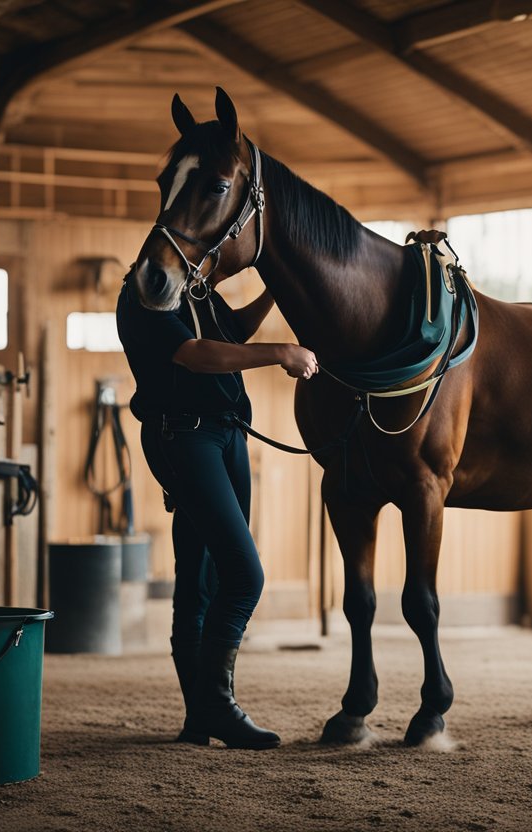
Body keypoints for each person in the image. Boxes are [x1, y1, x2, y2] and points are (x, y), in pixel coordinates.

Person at [116, 277, 318, 750]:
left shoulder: (194, 286)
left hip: (227, 435)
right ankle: (217, 705)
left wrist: (275, 289)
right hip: (184, 436)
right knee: (245, 576)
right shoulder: (145, 291)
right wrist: (281, 352)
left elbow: (230, 331)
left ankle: (198, 719)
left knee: (200, 579)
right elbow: (196, 353)